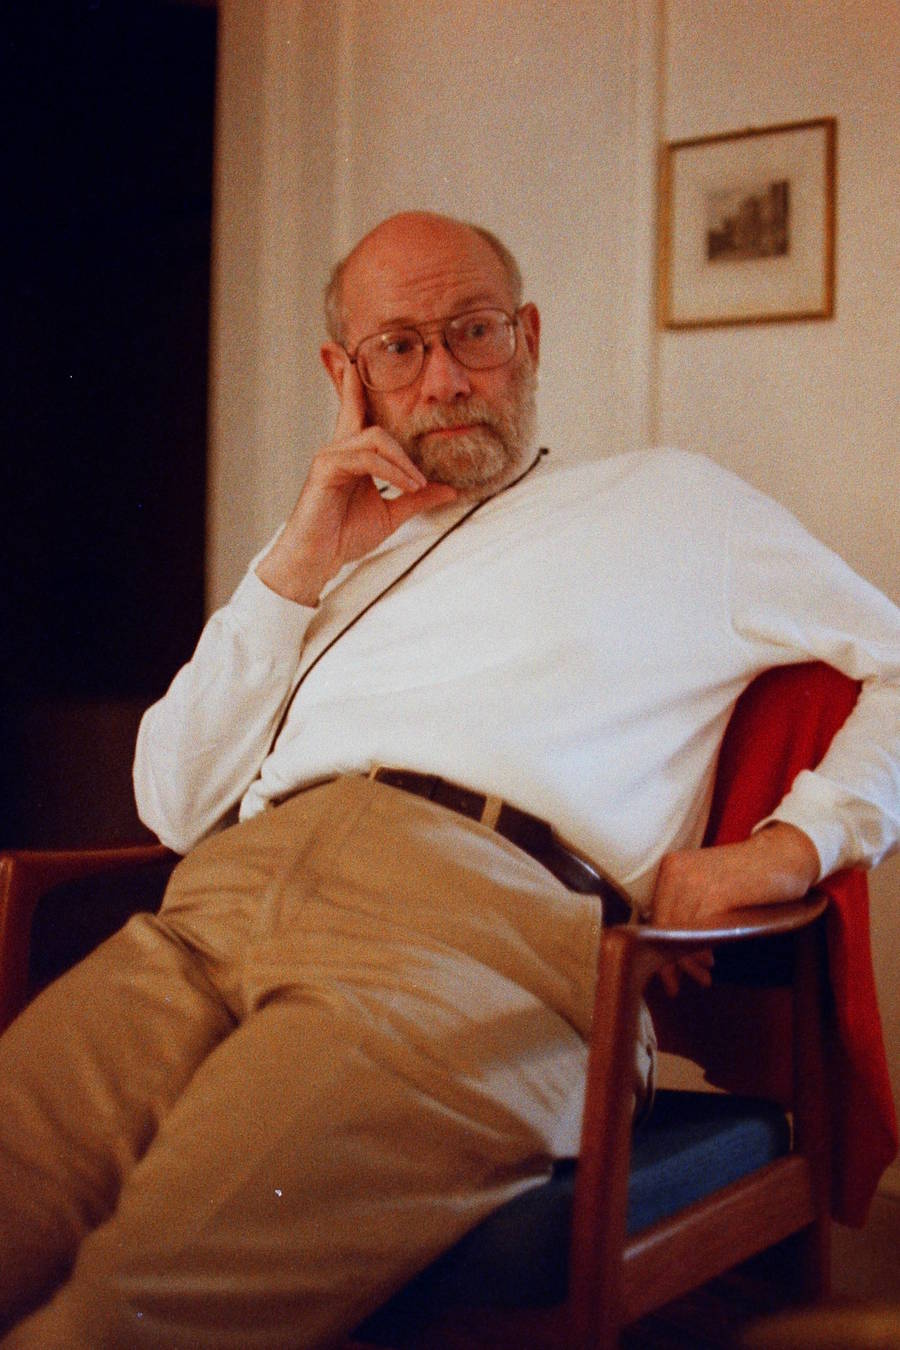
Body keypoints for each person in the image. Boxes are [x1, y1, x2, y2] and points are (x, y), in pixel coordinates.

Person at [0, 211, 897, 1348]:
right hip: (208, 918)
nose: (444, 379)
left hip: (477, 948)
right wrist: (299, 558)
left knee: (122, 1319)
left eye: (474, 332)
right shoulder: (334, 548)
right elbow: (172, 804)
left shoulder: (674, 503)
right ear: (346, 377)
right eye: (398, 347)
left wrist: (791, 845)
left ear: (528, 338)